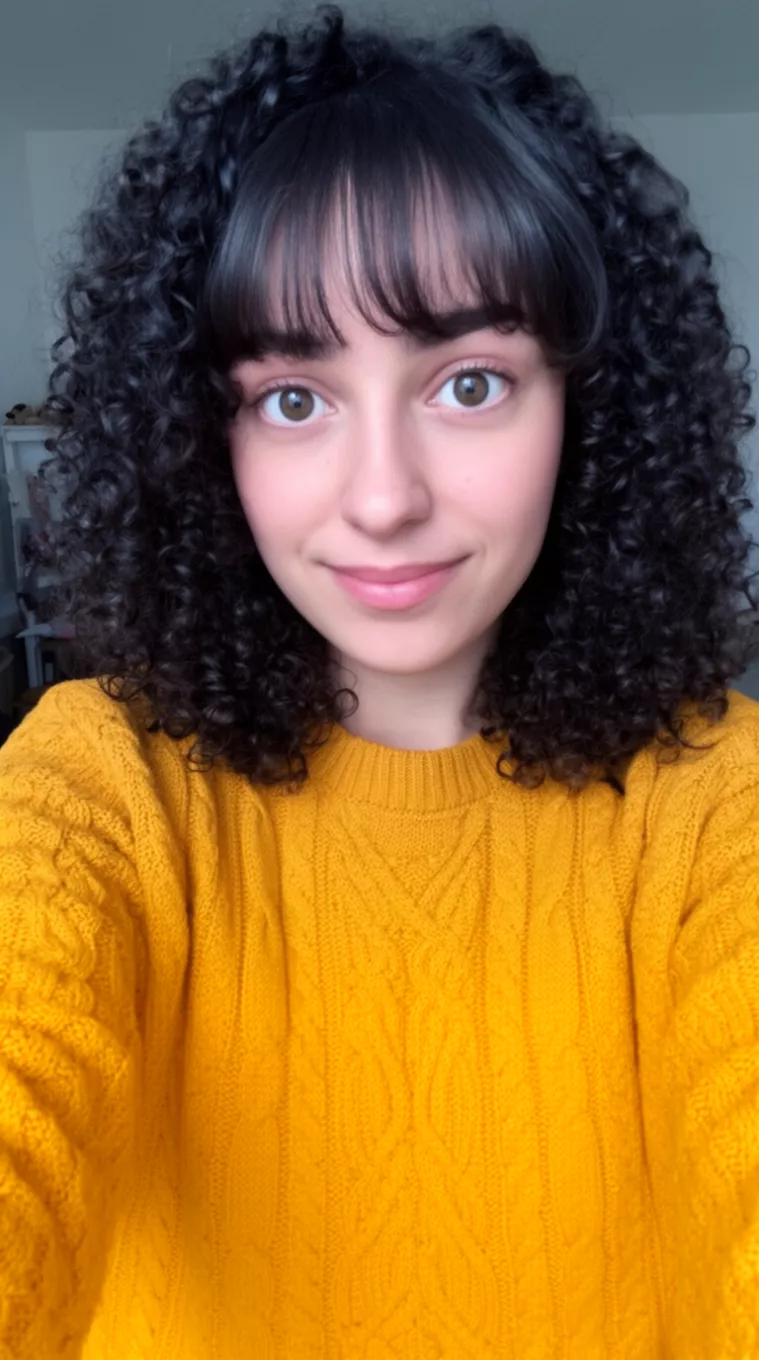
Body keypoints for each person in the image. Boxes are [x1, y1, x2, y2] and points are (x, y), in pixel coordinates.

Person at [1, 5, 758, 1356]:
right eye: (293, 398)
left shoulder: (716, 800)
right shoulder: (97, 786)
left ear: (585, 408)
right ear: (201, 438)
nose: (384, 498)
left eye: (469, 383)